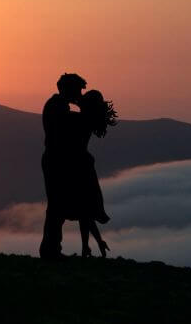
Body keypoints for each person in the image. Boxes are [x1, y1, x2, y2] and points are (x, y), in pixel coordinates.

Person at [39, 73, 86, 259]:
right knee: (57, 205)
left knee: (57, 205)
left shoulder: (57, 105)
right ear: (68, 89)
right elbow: (67, 129)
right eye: (77, 90)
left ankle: (52, 248)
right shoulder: (57, 107)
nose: (79, 95)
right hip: (56, 160)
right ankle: (50, 250)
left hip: (55, 159)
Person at [73, 89, 117, 257]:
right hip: (85, 165)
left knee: (82, 208)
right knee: (85, 209)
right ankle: (91, 244)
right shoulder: (90, 119)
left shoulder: (81, 120)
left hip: (78, 166)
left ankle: (88, 246)